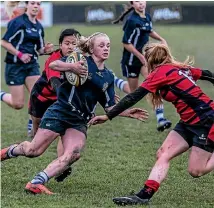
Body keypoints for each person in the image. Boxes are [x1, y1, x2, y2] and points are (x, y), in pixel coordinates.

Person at [1, 32, 149, 195]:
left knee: (73, 153)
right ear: (91, 49)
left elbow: (109, 107)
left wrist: (127, 112)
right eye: (101, 45)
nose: (106, 49)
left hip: (79, 120)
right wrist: (72, 67)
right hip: (61, 112)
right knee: (33, 151)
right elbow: (53, 65)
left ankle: (36, 182)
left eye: (107, 45)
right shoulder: (80, 60)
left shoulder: (107, 77)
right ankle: (6, 153)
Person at [89, 43, 214, 206]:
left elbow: (133, 96)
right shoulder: (180, 69)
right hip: (188, 123)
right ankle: (144, 196)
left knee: (196, 171)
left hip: (206, 121)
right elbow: (208, 74)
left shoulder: (161, 73)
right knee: (163, 153)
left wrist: (108, 116)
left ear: (148, 61)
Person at [29, 28, 87, 182]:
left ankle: (62, 165)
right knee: (35, 140)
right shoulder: (54, 59)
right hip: (41, 97)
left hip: (60, 101)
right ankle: (32, 129)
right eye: (67, 43)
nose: (70, 47)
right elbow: (54, 82)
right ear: (60, 45)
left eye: (74, 44)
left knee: (63, 131)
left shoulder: (79, 59)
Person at [113, 1, 171, 131]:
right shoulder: (132, 20)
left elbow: (148, 30)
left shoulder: (147, 17)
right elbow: (126, 43)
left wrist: (162, 40)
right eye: (137, 1)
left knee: (154, 84)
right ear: (132, 4)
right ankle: (114, 80)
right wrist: (140, 56)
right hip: (131, 60)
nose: (141, 3)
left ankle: (160, 119)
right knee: (134, 92)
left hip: (145, 60)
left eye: (142, 0)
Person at [0, 1, 54, 135]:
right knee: (18, 104)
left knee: (38, 96)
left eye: (38, 3)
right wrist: (20, 54)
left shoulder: (39, 26)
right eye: (33, 3)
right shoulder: (17, 22)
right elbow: (4, 42)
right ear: (26, 5)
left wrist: (46, 50)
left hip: (32, 66)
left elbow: (40, 50)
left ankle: (32, 125)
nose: (36, 6)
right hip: (15, 66)